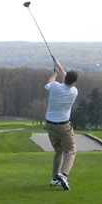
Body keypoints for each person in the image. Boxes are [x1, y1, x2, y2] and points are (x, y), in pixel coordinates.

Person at [45, 58, 79, 191]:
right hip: (64, 127)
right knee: (71, 150)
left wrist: (55, 71)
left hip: (50, 125)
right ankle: (64, 175)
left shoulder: (55, 87)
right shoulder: (74, 92)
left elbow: (50, 82)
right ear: (74, 82)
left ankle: (55, 179)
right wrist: (60, 67)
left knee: (58, 151)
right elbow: (68, 80)